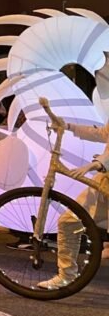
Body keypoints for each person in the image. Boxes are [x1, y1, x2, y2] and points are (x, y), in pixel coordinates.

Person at [38, 109, 109, 290]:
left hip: (104, 173)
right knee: (69, 222)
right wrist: (68, 126)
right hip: (104, 181)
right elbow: (103, 134)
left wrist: (99, 163)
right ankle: (66, 276)